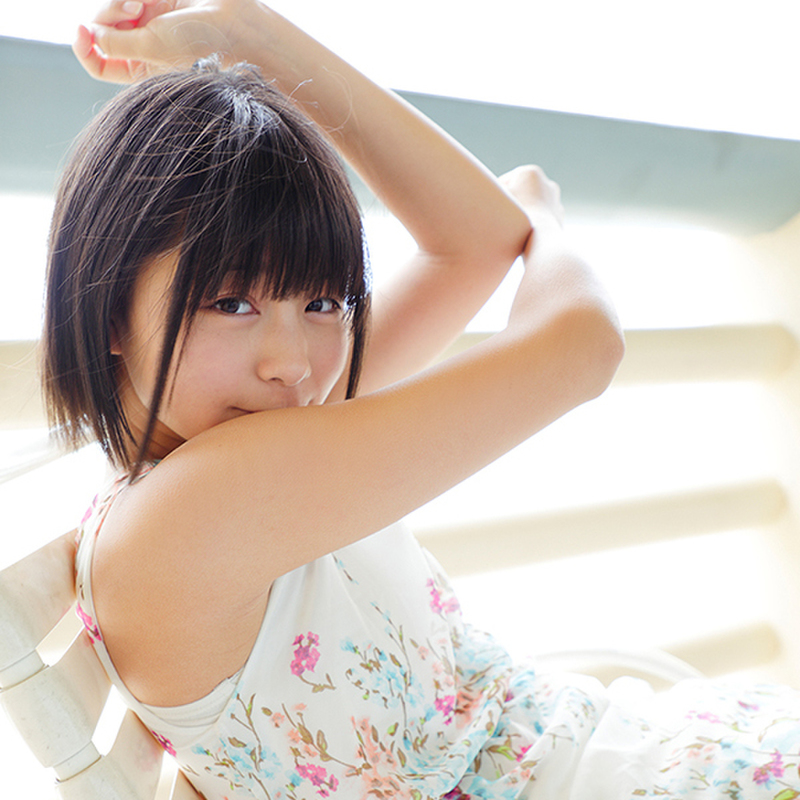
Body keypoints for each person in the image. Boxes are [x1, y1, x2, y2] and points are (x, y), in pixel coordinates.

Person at [42, 1, 800, 798]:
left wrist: (246, 35)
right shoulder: (204, 504)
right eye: (231, 303)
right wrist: (544, 222)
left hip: (604, 746)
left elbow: (475, 241)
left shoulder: (247, 437)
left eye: (323, 301)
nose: (293, 362)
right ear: (108, 309)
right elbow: (582, 347)